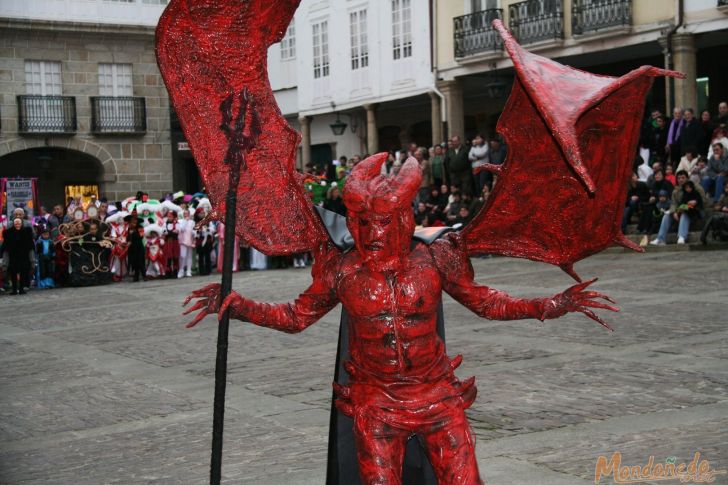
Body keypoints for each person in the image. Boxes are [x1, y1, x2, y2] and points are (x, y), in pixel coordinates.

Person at [650, 170, 706, 245]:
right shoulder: (676, 191)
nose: (681, 180)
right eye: (679, 178)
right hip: (680, 210)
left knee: (684, 213)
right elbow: (673, 203)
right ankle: (660, 239)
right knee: (667, 215)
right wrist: (674, 212)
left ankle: (682, 236)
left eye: (683, 178)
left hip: (694, 211)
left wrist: (695, 202)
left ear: (687, 178)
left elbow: (703, 200)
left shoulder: (696, 187)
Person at [2, 218, 35, 295]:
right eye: (16, 223)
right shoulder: (8, 233)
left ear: (21, 224)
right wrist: (5, 264)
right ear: (13, 224)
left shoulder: (26, 233)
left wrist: (32, 260)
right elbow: (6, 248)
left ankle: (21, 289)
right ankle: (14, 289)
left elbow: (30, 247)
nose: (17, 224)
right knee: (13, 273)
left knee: (23, 272)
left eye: (19, 223)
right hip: (13, 256)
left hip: (23, 256)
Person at [178, 209, 195, 277]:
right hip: (183, 240)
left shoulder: (192, 222)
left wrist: (194, 233)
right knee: (182, 255)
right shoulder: (180, 221)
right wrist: (185, 221)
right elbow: (181, 229)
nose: (186, 215)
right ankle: (181, 270)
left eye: (187, 213)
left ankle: (188, 270)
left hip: (190, 240)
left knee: (189, 256)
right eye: (185, 213)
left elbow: (194, 229)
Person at [163, 210, 181, 278]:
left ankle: (175, 272)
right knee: (168, 257)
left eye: (170, 216)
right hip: (168, 242)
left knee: (175, 257)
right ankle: (168, 272)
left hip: (174, 242)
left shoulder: (177, 223)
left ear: (173, 217)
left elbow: (177, 232)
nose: (169, 217)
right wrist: (171, 232)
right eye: (168, 216)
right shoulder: (166, 224)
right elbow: (164, 232)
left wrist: (169, 233)